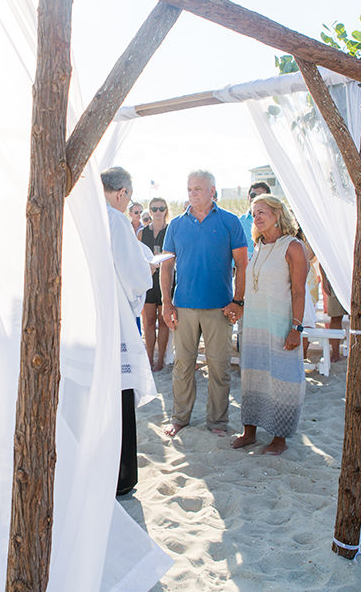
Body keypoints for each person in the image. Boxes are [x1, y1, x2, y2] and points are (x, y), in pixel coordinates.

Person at [161, 170, 248, 437]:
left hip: (219, 307)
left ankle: (218, 422)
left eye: (198, 188)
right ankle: (180, 418)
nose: (192, 193)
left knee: (219, 367)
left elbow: (242, 264)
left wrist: (238, 301)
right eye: (189, 189)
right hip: (183, 307)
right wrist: (166, 302)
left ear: (212, 191)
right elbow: (166, 266)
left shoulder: (230, 221)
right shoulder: (176, 224)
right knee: (182, 366)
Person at [233, 195, 307, 454]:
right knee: (253, 375)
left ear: (277, 214)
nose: (256, 218)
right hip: (254, 324)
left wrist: (296, 328)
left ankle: (279, 438)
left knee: (282, 378)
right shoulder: (258, 245)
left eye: (262, 212)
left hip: (280, 324)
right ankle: (250, 432)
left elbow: (299, 291)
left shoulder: (293, 246)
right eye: (254, 214)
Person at [102, 167, 155, 495]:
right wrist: (147, 271)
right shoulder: (115, 219)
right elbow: (133, 275)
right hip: (112, 317)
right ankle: (121, 477)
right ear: (122, 193)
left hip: (87, 317)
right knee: (118, 395)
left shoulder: (82, 216)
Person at [139, 196, 171, 372]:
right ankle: (149, 358)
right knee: (148, 321)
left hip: (166, 279)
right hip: (148, 279)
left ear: (166, 210)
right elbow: (136, 256)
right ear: (150, 211)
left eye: (161, 208)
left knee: (163, 321)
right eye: (154, 209)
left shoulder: (170, 230)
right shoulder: (142, 233)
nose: (158, 212)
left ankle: (160, 360)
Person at [237, 181, 271, 259]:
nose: (256, 198)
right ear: (248, 197)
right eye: (253, 195)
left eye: (261, 196)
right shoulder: (239, 222)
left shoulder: (275, 222)